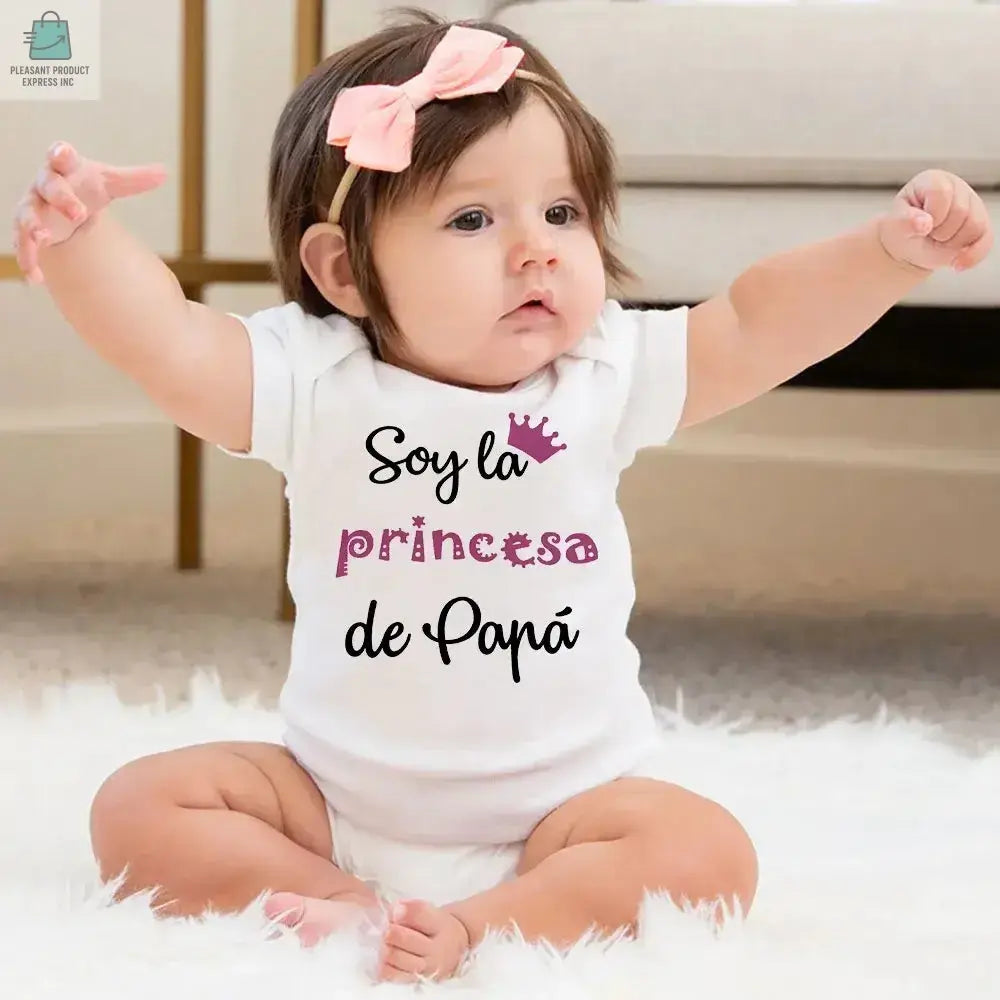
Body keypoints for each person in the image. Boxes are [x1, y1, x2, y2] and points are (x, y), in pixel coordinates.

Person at [12, 9, 992, 986]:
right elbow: (168, 341)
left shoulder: (607, 371)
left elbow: (757, 321)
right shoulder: (312, 381)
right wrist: (84, 239)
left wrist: (888, 254)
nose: (537, 250)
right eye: (473, 220)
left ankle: (479, 926)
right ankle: (351, 905)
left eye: (562, 213)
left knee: (706, 854)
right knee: (139, 806)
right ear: (344, 271)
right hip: (333, 801)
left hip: (564, 814)